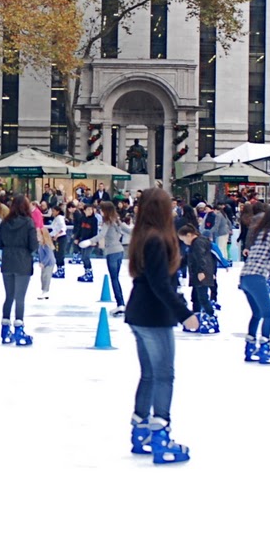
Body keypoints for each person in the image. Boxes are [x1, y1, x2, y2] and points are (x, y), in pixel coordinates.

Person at [125, 188, 201, 463]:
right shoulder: (157, 239)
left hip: (139, 312)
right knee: (163, 375)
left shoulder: (143, 236)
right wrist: (184, 314)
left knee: (149, 374)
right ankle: (160, 435)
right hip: (153, 315)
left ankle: (140, 429)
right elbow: (159, 284)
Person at [238, 203, 270, 365]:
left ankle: (250, 347)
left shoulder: (260, 232)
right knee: (267, 314)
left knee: (257, 313)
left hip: (245, 277)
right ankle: (265, 348)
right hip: (256, 277)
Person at [0, 196, 39, 345]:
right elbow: (33, 245)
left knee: (9, 296)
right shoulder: (28, 222)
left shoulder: (4, 222)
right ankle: (19, 329)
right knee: (20, 298)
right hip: (23, 262)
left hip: (8, 261)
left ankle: (4, 329)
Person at [177, 222, 219, 332]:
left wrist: (201, 271)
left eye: (183, 240)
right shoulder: (195, 244)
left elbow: (201, 258)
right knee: (196, 297)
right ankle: (198, 318)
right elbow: (187, 259)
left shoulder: (198, 243)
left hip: (201, 274)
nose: (184, 242)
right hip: (199, 274)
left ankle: (211, 316)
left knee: (202, 298)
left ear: (189, 235)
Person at [98, 200, 129, 314]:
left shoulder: (108, 222)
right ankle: (120, 303)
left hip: (111, 252)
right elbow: (129, 230)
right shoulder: (117, 221)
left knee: (114, 278)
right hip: (120, 251)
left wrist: (89, 241)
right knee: (115, 278)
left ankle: (120, 303)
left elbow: (101, 235)